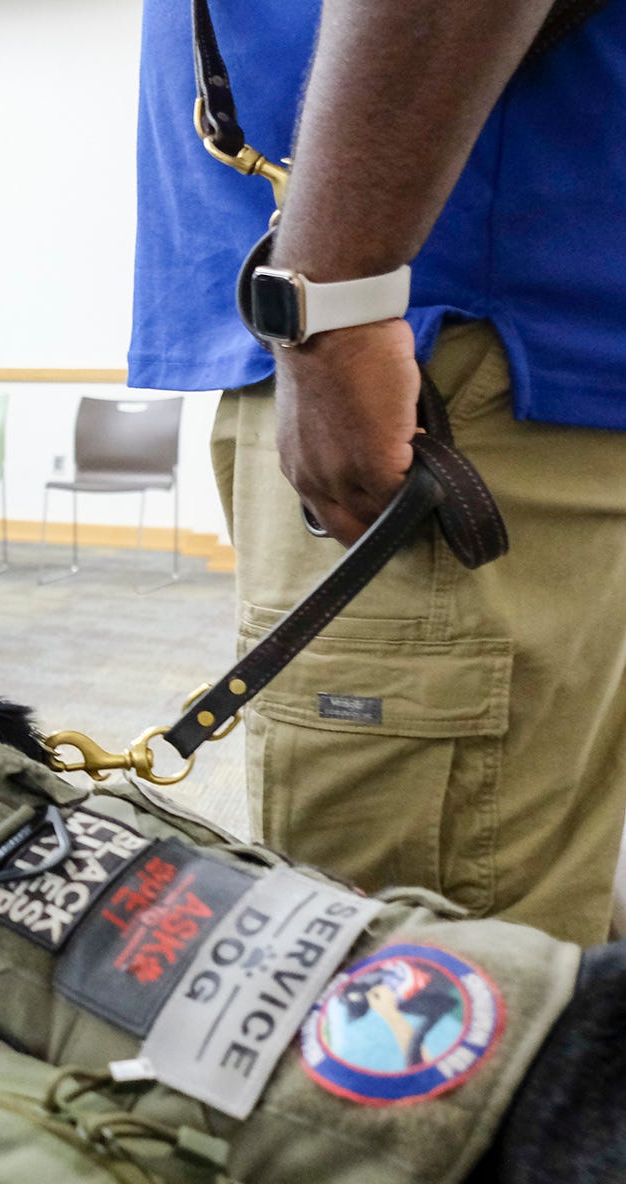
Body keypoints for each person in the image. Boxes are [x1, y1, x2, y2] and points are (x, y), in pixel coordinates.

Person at [130, 0, 626, 945]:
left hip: (422, 343)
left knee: (390, 1000)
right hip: (441, 330)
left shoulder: (359, 307)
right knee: (530, 953)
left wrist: (332, 296)